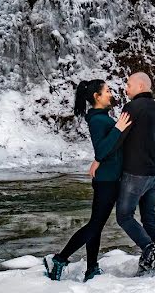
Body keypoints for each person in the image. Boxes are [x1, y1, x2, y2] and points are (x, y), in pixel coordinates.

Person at [44, 79, 132, 282]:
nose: (111, 93)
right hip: (107, 181)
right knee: (94, 225)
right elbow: (102, 150)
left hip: (109, 178)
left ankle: (91, 268)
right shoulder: (97, 120)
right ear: (97, 97)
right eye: (107, 91)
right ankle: (59, 259)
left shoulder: (101, 117)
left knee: (97, 225)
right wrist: (118, 128)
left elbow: (107, 150)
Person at [109, 72, 155, 274]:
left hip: (135, 172)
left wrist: (103, 160)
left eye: (128, 84)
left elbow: (119, 137)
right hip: (154, 173)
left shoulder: (132, 108)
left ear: (142, 85)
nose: (126, 88)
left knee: (124, 215)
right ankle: (150, 264)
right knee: (148, 218)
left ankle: (150, 249)